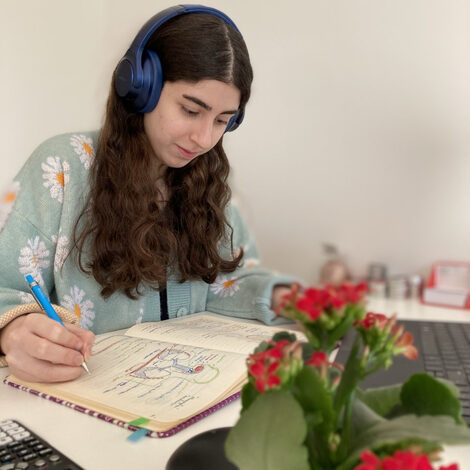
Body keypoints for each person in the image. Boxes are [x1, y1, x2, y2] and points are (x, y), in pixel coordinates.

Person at [0, 5, 296, 384]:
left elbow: (226, 281)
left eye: (222, 121)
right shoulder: (60, 167)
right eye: (191, 110)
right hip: (84, 402)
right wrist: (14, 329)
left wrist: (287, 298)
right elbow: (5, 286)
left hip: (187, 394)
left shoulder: (210, 183)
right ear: (141, 86)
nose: (205, 139)